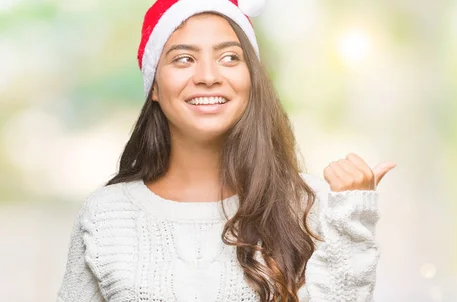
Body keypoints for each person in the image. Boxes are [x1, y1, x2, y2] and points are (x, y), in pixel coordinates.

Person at [56, 0, 396, 301]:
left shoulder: (313, 204)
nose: (208, 76)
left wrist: (353, 219)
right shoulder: (107, 214)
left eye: (229, 57)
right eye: (184, 58)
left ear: (251, 78)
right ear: (155, 85)